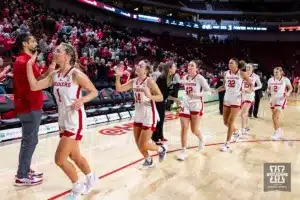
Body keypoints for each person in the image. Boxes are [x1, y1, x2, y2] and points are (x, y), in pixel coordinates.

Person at [26, 43, 99, 199]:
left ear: (67, 56)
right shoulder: (54, 75)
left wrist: (82, 100)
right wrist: (29, 65)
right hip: (63, 120)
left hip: (75, 120)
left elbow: (94, 91)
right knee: (74, 156)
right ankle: (91, 177)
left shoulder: (76, 74)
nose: (55, 52)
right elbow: (34, 86)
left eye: (58, 51)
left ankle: (77, 187)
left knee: (59, 159)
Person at [13, 33, 54, 186]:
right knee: (29, 141)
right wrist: (52, 76)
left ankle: (25, 169)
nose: (35, 42)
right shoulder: (24, 61)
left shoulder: (26, 61)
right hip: (29, 106)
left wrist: (50, 69)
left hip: (31, 104)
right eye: (33, 41)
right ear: (24, 44)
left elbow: (38, 79)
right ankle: (21, 176)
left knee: (31, 140)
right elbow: (39, 82)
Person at [115, 60, 167, 169]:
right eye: (137, 64)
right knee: (138, 142)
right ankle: (148, 160)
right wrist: (118, 77)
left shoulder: (149, 82)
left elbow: (161, 97)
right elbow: (119, 88)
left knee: (143, 143)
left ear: (146, 70)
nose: (137, 66)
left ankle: (161, 149)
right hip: (138, 114)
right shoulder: (133, 81)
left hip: (149, 114)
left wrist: (149, 95)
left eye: (140, 65)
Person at [170, 60, 211, 161]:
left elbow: (208, 91)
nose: (189, 67)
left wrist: (197, 94)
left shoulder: (200, 78)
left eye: (192, 66)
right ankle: (183, 150)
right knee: (184, 128)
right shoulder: (185, 77)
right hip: (186, 103)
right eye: (188, 65)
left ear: (196, 68)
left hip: (196, 104)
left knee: (194, 130)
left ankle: (201, 138)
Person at [215, 58, 254, 152]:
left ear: (236, 64)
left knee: (230, 121)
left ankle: (227, 144)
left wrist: (249, 90)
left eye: (231, 63)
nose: (229, 64)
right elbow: (224, 86)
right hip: (226, 99)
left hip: (236, 100)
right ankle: (236, 132)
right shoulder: (226, 73)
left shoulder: (242, 73)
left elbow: (251, 84)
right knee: (225, 122)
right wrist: (215, 90)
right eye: (228, 63)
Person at [152, 62, 177, 145]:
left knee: (161, 120)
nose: (175, 68)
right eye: (174, 67)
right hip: (157, 101)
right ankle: (155, 138)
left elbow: (166, 93)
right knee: (158, 120)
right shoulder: (163, 77)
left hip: (162, 101)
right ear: (169, 68)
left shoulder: (168, 77)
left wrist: (174, 99)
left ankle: (160, 136)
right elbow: (160, 92)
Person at [267, 67, 293, 140]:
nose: (275, 73)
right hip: (272, 99)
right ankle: (279, 130)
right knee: (275, 117)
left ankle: (277, 132)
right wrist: (267, 90)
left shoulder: (285, 79)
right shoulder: (270, 80)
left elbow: (291, 88)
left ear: (281, 72)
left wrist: (288, 93)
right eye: (274, 72)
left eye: (277, 72)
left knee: (274, 116)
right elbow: (268, 88)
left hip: (281, 99)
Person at [239, 64, 262, 135]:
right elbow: (240, 84)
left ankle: (242, 130)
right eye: (246, 67)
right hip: (242, 95)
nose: (248, 68)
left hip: (250, 96)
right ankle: (246, 127)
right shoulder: (242, 75)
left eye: (249, 67)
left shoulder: (256, 76)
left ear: (252, 69)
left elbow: (260, 85)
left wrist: (253, 89)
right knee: (245, 113)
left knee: (242, 113)